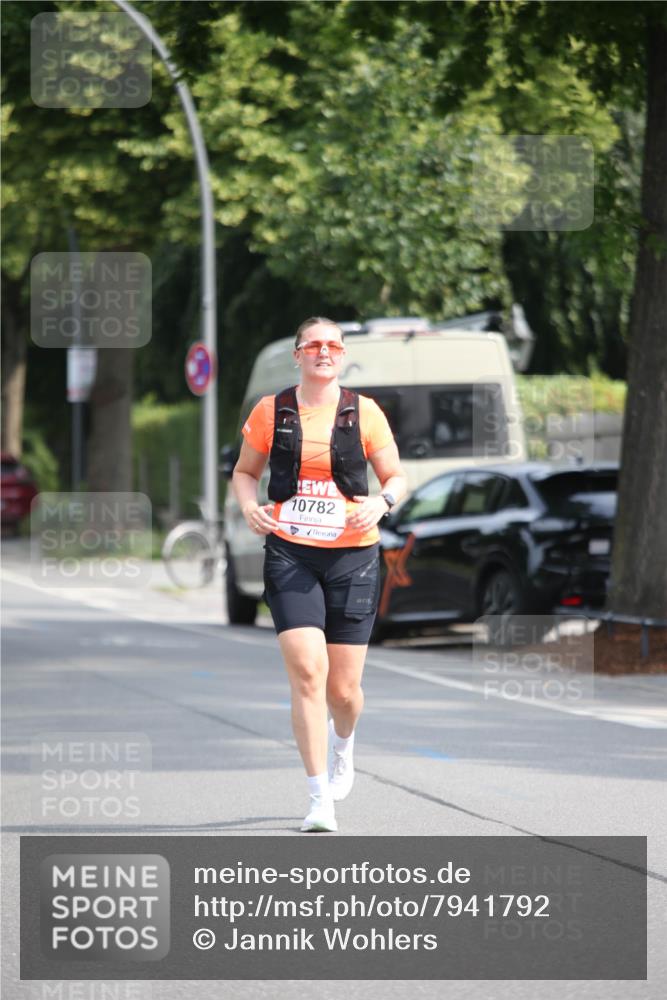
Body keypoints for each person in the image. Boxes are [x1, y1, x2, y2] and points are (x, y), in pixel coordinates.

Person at [232, 317, 407, 832]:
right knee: (309, 673)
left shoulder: (364, 412)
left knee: (344, 691)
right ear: (298, 354)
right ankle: (317, 800)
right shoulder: (271, 411)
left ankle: (343, 745)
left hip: (354, 556)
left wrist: (382, 502)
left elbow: (395, 475)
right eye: (313, 346)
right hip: (291, 553)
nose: (323, 352)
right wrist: (249, 508)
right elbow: (244, 473)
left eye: (332, 345)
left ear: (342, 354)